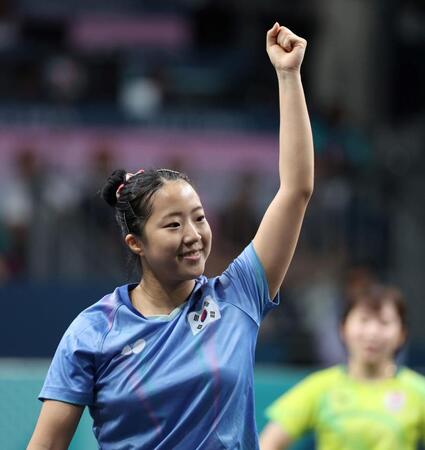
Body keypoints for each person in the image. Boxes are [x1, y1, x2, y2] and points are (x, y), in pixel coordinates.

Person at [27, 22, 314, 450]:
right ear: (135, 243)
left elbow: (296, 190)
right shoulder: (93, 332)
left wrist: (288, 76)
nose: (194, 235)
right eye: (173, 224)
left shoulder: (237, 296)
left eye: (199, 218)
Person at [260, 284, 425, 450]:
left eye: (384, 323)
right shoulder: (320, 386)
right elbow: (267, 444)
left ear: (402, 334)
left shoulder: (419, 391)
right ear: (343, 328)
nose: (372, 332)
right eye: (364, 320)